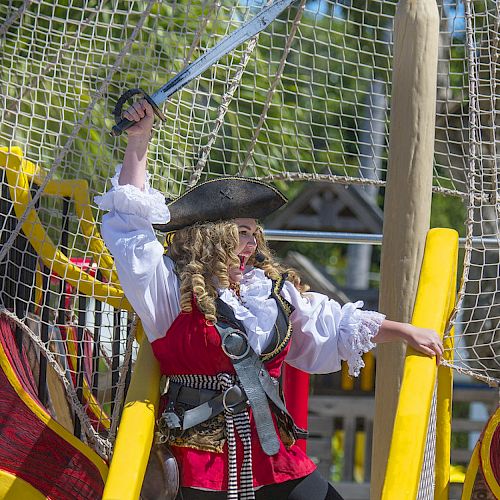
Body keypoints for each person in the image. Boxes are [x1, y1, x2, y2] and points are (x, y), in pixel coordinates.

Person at [96, 100, 443, 500]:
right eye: (241, 232)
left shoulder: (268, 293)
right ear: (211, 236)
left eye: (254, 233)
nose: (251, 243)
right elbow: (131, 236)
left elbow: (329, 325)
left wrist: (404, 332)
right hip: (201, 465)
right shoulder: (171, 295)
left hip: (275, 459)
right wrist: (139, 141)